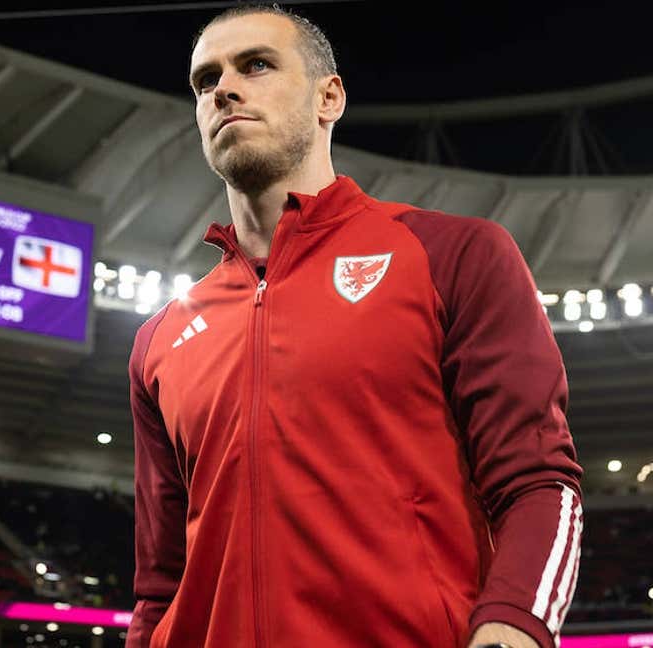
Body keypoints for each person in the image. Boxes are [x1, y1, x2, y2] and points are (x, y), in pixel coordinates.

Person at [126, 5, 583, 648]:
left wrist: (513, 628)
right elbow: (159, 582)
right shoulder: (159, 338)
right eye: (206, 80)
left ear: (329, 97)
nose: (223, 88)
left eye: (256, 65)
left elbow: (538, 483)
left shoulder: (451, 255)